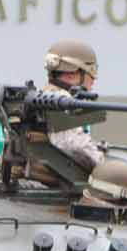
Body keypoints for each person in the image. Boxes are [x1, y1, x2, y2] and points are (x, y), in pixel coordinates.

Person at [23, 38, 106, 184]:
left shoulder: (44, 96)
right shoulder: (60, 100)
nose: (94, 80)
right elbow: (72, 145)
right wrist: (106, 166)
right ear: (72, 74)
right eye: (91, 72)